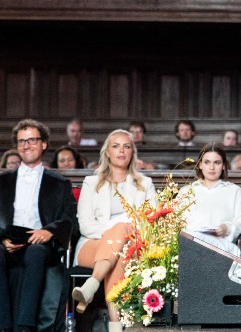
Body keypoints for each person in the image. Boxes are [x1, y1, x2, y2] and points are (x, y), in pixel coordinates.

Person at [71, 129, 156, 332]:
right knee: (121, 235)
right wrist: (116, 234)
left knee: (123, 249)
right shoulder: (91, 183)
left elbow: (150, 224)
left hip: (131, 247)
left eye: (127, 146)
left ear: (132, 153)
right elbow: (85, 225)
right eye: (115, 146)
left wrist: (122, 236)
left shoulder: (145, 184)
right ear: (107, 152)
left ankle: (93, 286)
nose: (121, 150)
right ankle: (116, 325)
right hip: (91, 244)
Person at [0, 119, 78, 332]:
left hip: (41, 243)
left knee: (34, 253)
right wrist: (3, 239)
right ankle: (4, 324)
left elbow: (71, 221)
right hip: (8, 239)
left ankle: (25, 325)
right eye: (22, 141)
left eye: (32, 140)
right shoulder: (3, 181)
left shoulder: (59, 183)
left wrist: (49, 231)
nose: (27, 145)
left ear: (43, 144)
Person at [178, 144, 241, 257]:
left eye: (217, 162)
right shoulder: (186, 191)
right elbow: (174, 223)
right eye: (207, 162)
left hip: (221, 248)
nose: (211, 167)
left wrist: (227, 228)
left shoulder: (234, 191)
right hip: (190, 248)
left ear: (223, 166)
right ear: (200, 165)